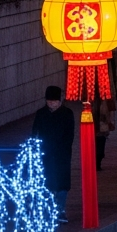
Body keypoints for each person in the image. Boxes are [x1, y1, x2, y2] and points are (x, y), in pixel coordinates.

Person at [31, 86, 75, 223]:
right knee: (47, 182)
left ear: (60, 100)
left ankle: (60, 210)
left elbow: (70, 135)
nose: (51, 104)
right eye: (49, 101)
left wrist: (64, 149)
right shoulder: (41, 113)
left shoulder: (67, 113)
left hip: (62, 154)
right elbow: (35, 132)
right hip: (45, 153)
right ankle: (49, 210)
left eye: (54, 101)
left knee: (62, 183)